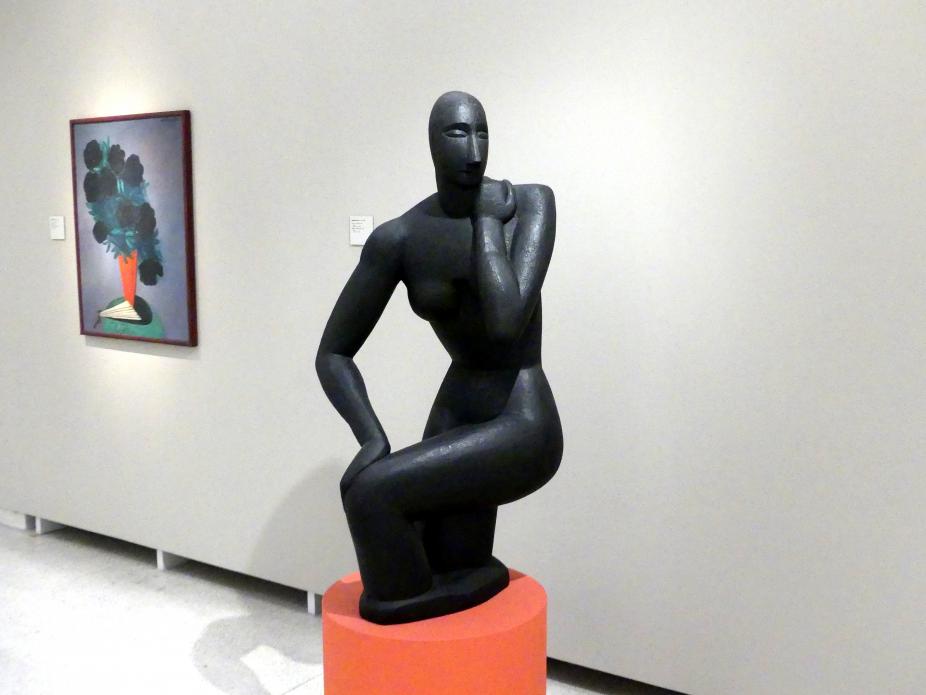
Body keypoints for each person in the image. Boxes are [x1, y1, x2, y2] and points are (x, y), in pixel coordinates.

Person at [316, 91, 563, 624]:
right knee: (445, 552)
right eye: (457, 133)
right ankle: (457, 584)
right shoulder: (399, 238)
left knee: (372, 497)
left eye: (482, 132)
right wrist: (371, 436)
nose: (474, 150)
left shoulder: (528, 205)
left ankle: (398, 606)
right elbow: (333, 352)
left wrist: (487, 225)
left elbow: (505, 324)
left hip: (522, 416)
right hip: (456, 409)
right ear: (431, 143)